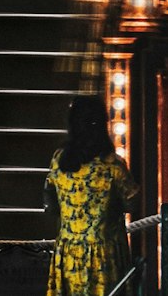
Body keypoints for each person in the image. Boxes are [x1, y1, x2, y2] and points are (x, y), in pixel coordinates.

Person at [44, 95, 138, 296]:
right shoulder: (113, 166)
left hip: (68, 253)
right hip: (105, 256)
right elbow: (133, 205)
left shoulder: (58, 160)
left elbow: (50, 204)